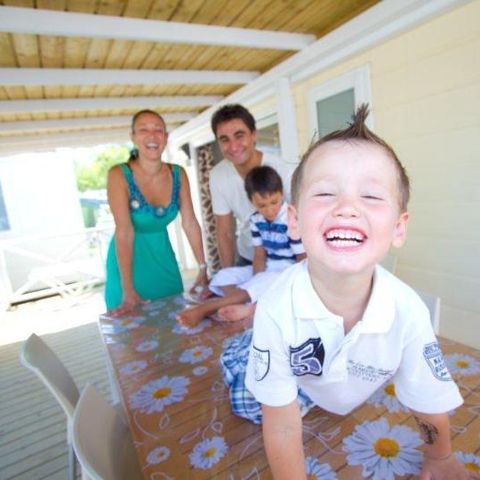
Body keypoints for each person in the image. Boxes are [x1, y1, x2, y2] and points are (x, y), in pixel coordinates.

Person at [244, 105, 477, 480]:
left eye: (370, 196)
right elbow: (283, 423)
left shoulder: (408, 312)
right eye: (325, 193)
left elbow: (427, 397)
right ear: (294, 221)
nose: (347, 208)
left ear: (399, 229)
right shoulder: (275, 308)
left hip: (351, 386)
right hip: (302, 387)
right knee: (246, 393)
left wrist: (439, 457)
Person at [104, 109, 208, 315]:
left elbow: (190, 222)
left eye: (158, 130)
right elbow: (124, 231)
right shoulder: (119, 175)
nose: (152, 136)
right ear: (133, 138)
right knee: (131, 339)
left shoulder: (178, 173)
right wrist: (127, 288)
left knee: (174, 328)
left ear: (166, 137)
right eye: (143, 130)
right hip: (128, 266)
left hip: (164, 262)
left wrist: (203, 267)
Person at [177, 166, 305, 328]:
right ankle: (244, 299)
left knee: (263, 283)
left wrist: (301, 282)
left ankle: (208, 307)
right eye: (262, 205)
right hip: (267, 268)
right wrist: (255, 278)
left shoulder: (290, 217)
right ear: (252, 201)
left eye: (274, 202)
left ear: (281, 194)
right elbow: (259, 254)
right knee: (223, 276)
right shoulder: (256, 220)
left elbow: (302, 259)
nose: (269, 209)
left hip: (286, 271)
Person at [209, 104, 294, 267]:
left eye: (239, 135)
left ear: (254, 135)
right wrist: (228, 274)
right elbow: (225, 232)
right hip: (249, 256)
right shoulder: (218, 176)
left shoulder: (283, 170)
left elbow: (301, 222)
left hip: (286, 257)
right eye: (224, 139)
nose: (233, 146)